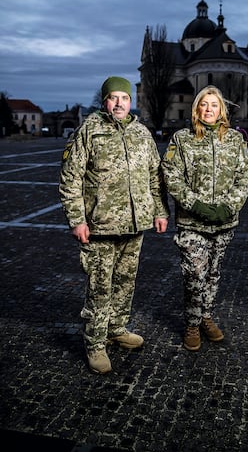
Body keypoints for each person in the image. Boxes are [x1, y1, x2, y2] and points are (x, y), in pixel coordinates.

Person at [59, 76, 169, 374]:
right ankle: (95, 343)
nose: (119, 103)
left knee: (125, 282)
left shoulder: (142, 133)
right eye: (113, 97)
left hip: (135, 225)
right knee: (99, 286)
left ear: (131, 101)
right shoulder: (89, 132)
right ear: (104, 100)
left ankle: (117, 328)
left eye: (124, 97)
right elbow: (71, 178)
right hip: (101, 225)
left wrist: (159, 212)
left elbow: (154, 178)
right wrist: (77, 219)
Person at [161, 85, 248, 351]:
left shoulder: (235, 140)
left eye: (214, 105)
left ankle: (206, 317)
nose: (209, 109)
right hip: (192, 222)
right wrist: (196, 205)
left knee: (213, 273)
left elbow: (245, 176)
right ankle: (192, 323)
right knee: (194, 274)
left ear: (221, 110)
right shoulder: (182, 138)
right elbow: (171, 175)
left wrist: (229, 207)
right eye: (204, 104)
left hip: (224, 222)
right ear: (197, 109)